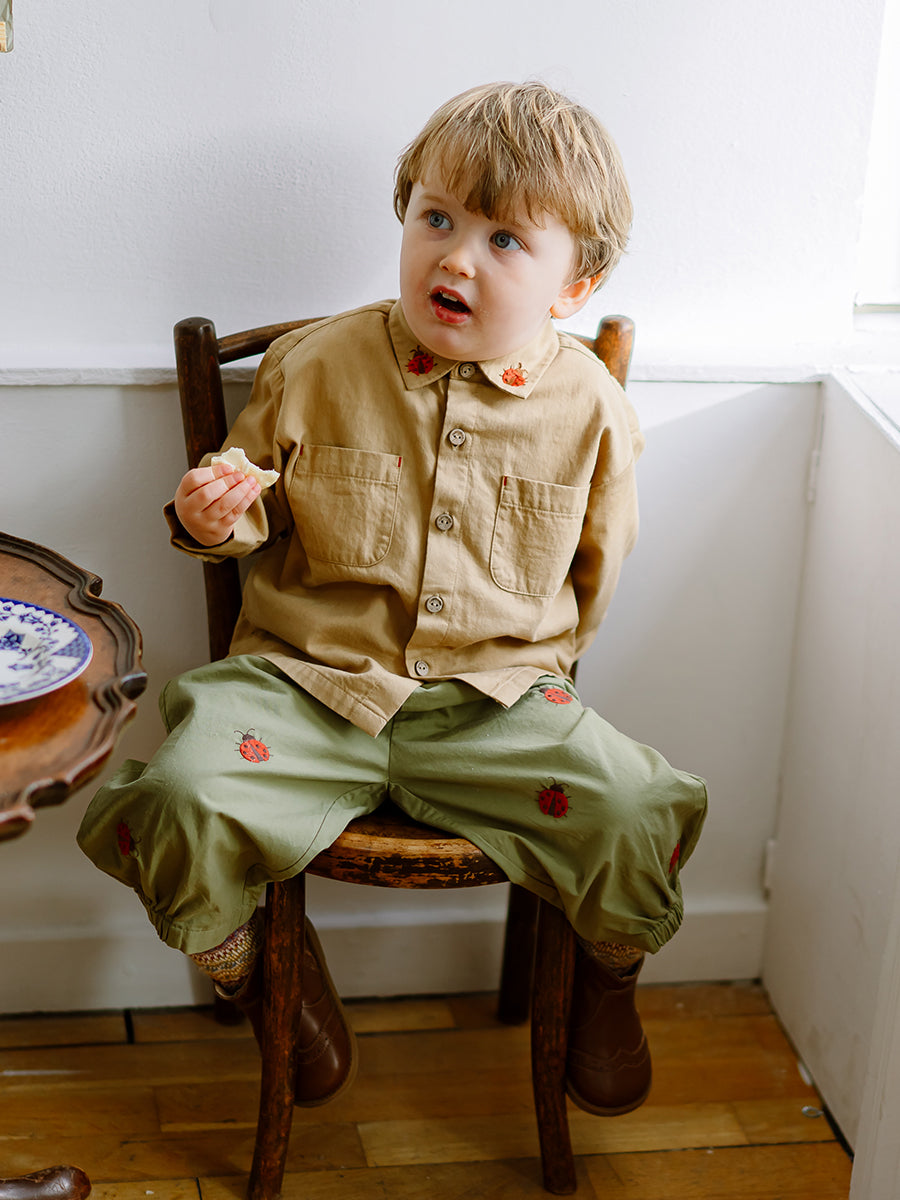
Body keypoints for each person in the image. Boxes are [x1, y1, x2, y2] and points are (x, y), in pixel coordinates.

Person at [78, 80, 707, 1116]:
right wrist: (210, 514)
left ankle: (609, 976)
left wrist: (542, 680)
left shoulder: (591, 408)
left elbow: (595, 572)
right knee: (178, 796)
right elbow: (244, 507)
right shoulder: (316, 363)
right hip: (301, 689)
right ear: (406, 215)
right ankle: (262, 977)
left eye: (506, 240)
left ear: (574, 285)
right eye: (437, 219)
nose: (456, 258)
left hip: (494, 706)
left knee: (637, 806)